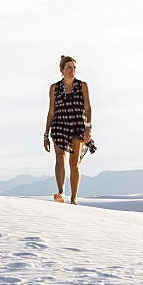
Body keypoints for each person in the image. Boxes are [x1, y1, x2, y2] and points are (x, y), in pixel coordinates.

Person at [43, 55, 96, 204]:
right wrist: (46, 135)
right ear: (62, 70)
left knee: (74, 163)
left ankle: (74, 199)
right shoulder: (54, 88)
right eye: (69, 67)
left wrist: (88, 128)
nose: (72, 70)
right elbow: (51, 112)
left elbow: (88, 107)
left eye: (74, 67)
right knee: (59, 158)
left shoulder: (82, 85)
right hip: (59, 124)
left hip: (77, 125)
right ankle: (61, 193)